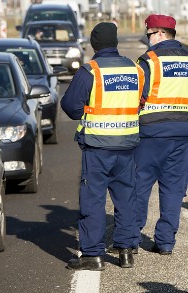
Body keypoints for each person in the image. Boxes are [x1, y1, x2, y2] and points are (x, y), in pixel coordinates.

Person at [60, 22, 144, 270]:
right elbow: (142, 99)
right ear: (116, 42)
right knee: (126, 198)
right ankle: (126, 250)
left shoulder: (91, 71)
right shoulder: (135, 70)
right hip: (127, 146)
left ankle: (92, 255)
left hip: (97, 147)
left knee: (93, 200)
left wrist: (87, 109)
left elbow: (71, 107)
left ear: (94, 44)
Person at [132, 14, 188, 255]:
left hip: (151, 134)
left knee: (139, 186)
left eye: (149, 34)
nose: (148, 40)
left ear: (161, 34)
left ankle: (131, 238)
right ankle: (165, 242)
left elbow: (136, 96)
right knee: (174, 189)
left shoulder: (148, 61)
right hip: (183, 134)